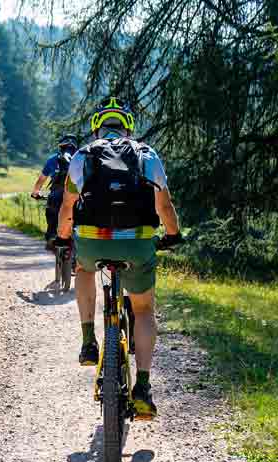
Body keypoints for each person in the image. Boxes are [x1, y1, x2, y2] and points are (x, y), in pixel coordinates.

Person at [54, 98, 183, 418]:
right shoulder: (146, 154)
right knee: (143, 310)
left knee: (83, 270)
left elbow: (68, 206)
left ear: (98, 127)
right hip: (138, 242)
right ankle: (142, 386)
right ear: (128, 128)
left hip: (93, 241)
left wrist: (63, 236)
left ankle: (88, 340)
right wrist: (173, 235)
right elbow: (164, 206)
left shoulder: (83, 155)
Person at [31, 135, 79, 250]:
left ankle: (52, 236)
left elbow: (41, 180)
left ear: (60, 146)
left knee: (52, 211)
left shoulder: (53, 159)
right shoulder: (80, 157)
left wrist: (35, 193)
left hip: (56, 194)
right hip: (77, 195)